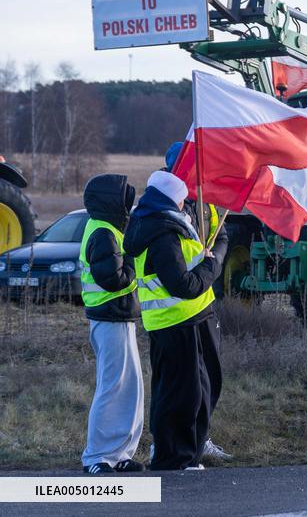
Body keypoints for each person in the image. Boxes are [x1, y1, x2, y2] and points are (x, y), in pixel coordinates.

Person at [123, 170, 229, 471]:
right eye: (182, 201)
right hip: (178, 321)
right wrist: (211, 266)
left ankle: (181, 455)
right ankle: (175, 459)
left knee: (181, 390)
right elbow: (183, 285)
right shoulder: (163, 233)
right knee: (184, 394)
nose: (186, 206)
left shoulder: (152, 222)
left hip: (177, 320)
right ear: (171, 201)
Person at [80, 174, 144, 475]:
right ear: (111, 202)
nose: (127, 203)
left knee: (129, 388)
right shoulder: (103, 233)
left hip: (118, 318)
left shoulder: (107, 230)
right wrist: (133, 258)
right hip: (109, 318)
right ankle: (96, 458)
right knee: (112, 388)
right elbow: (113, 279)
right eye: (123, 198)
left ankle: (119, 455)